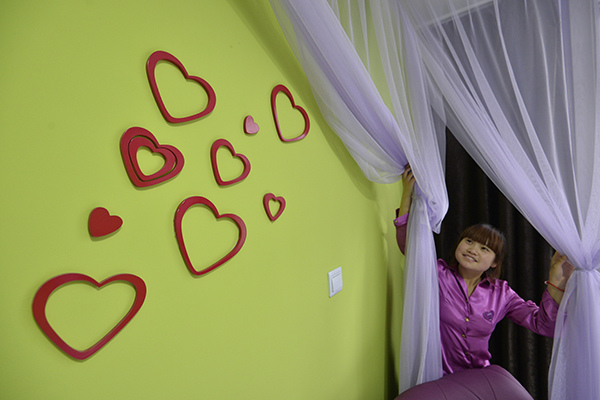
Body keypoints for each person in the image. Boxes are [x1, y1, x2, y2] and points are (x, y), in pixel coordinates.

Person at [395, 165, 574, 376]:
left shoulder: (502, 294)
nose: (473, 250)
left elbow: (545, 325)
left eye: (484, 248)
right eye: (469, 241)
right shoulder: (439, 274)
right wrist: (407, 194)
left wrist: (555, 282)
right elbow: (411, 246)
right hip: (437, 376)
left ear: (494, 263)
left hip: (480, 377)